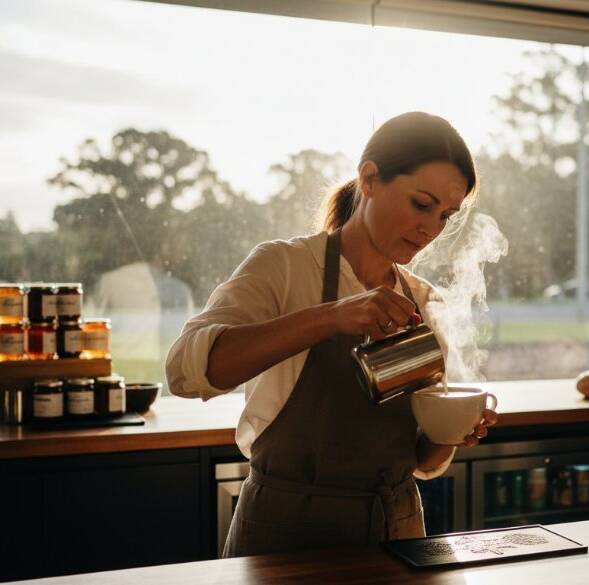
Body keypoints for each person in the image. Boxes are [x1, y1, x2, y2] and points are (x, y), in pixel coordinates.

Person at [165, 111, 498, 557]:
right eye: (421, 204)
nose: (431, 230)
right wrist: (330, 317)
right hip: (286, 534)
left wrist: (452, 431)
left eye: (446, 215)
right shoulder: (284, 266)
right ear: (369, 179)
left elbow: (420, 461)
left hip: (396, 534)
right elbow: (185, 372)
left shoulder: (422, 301)